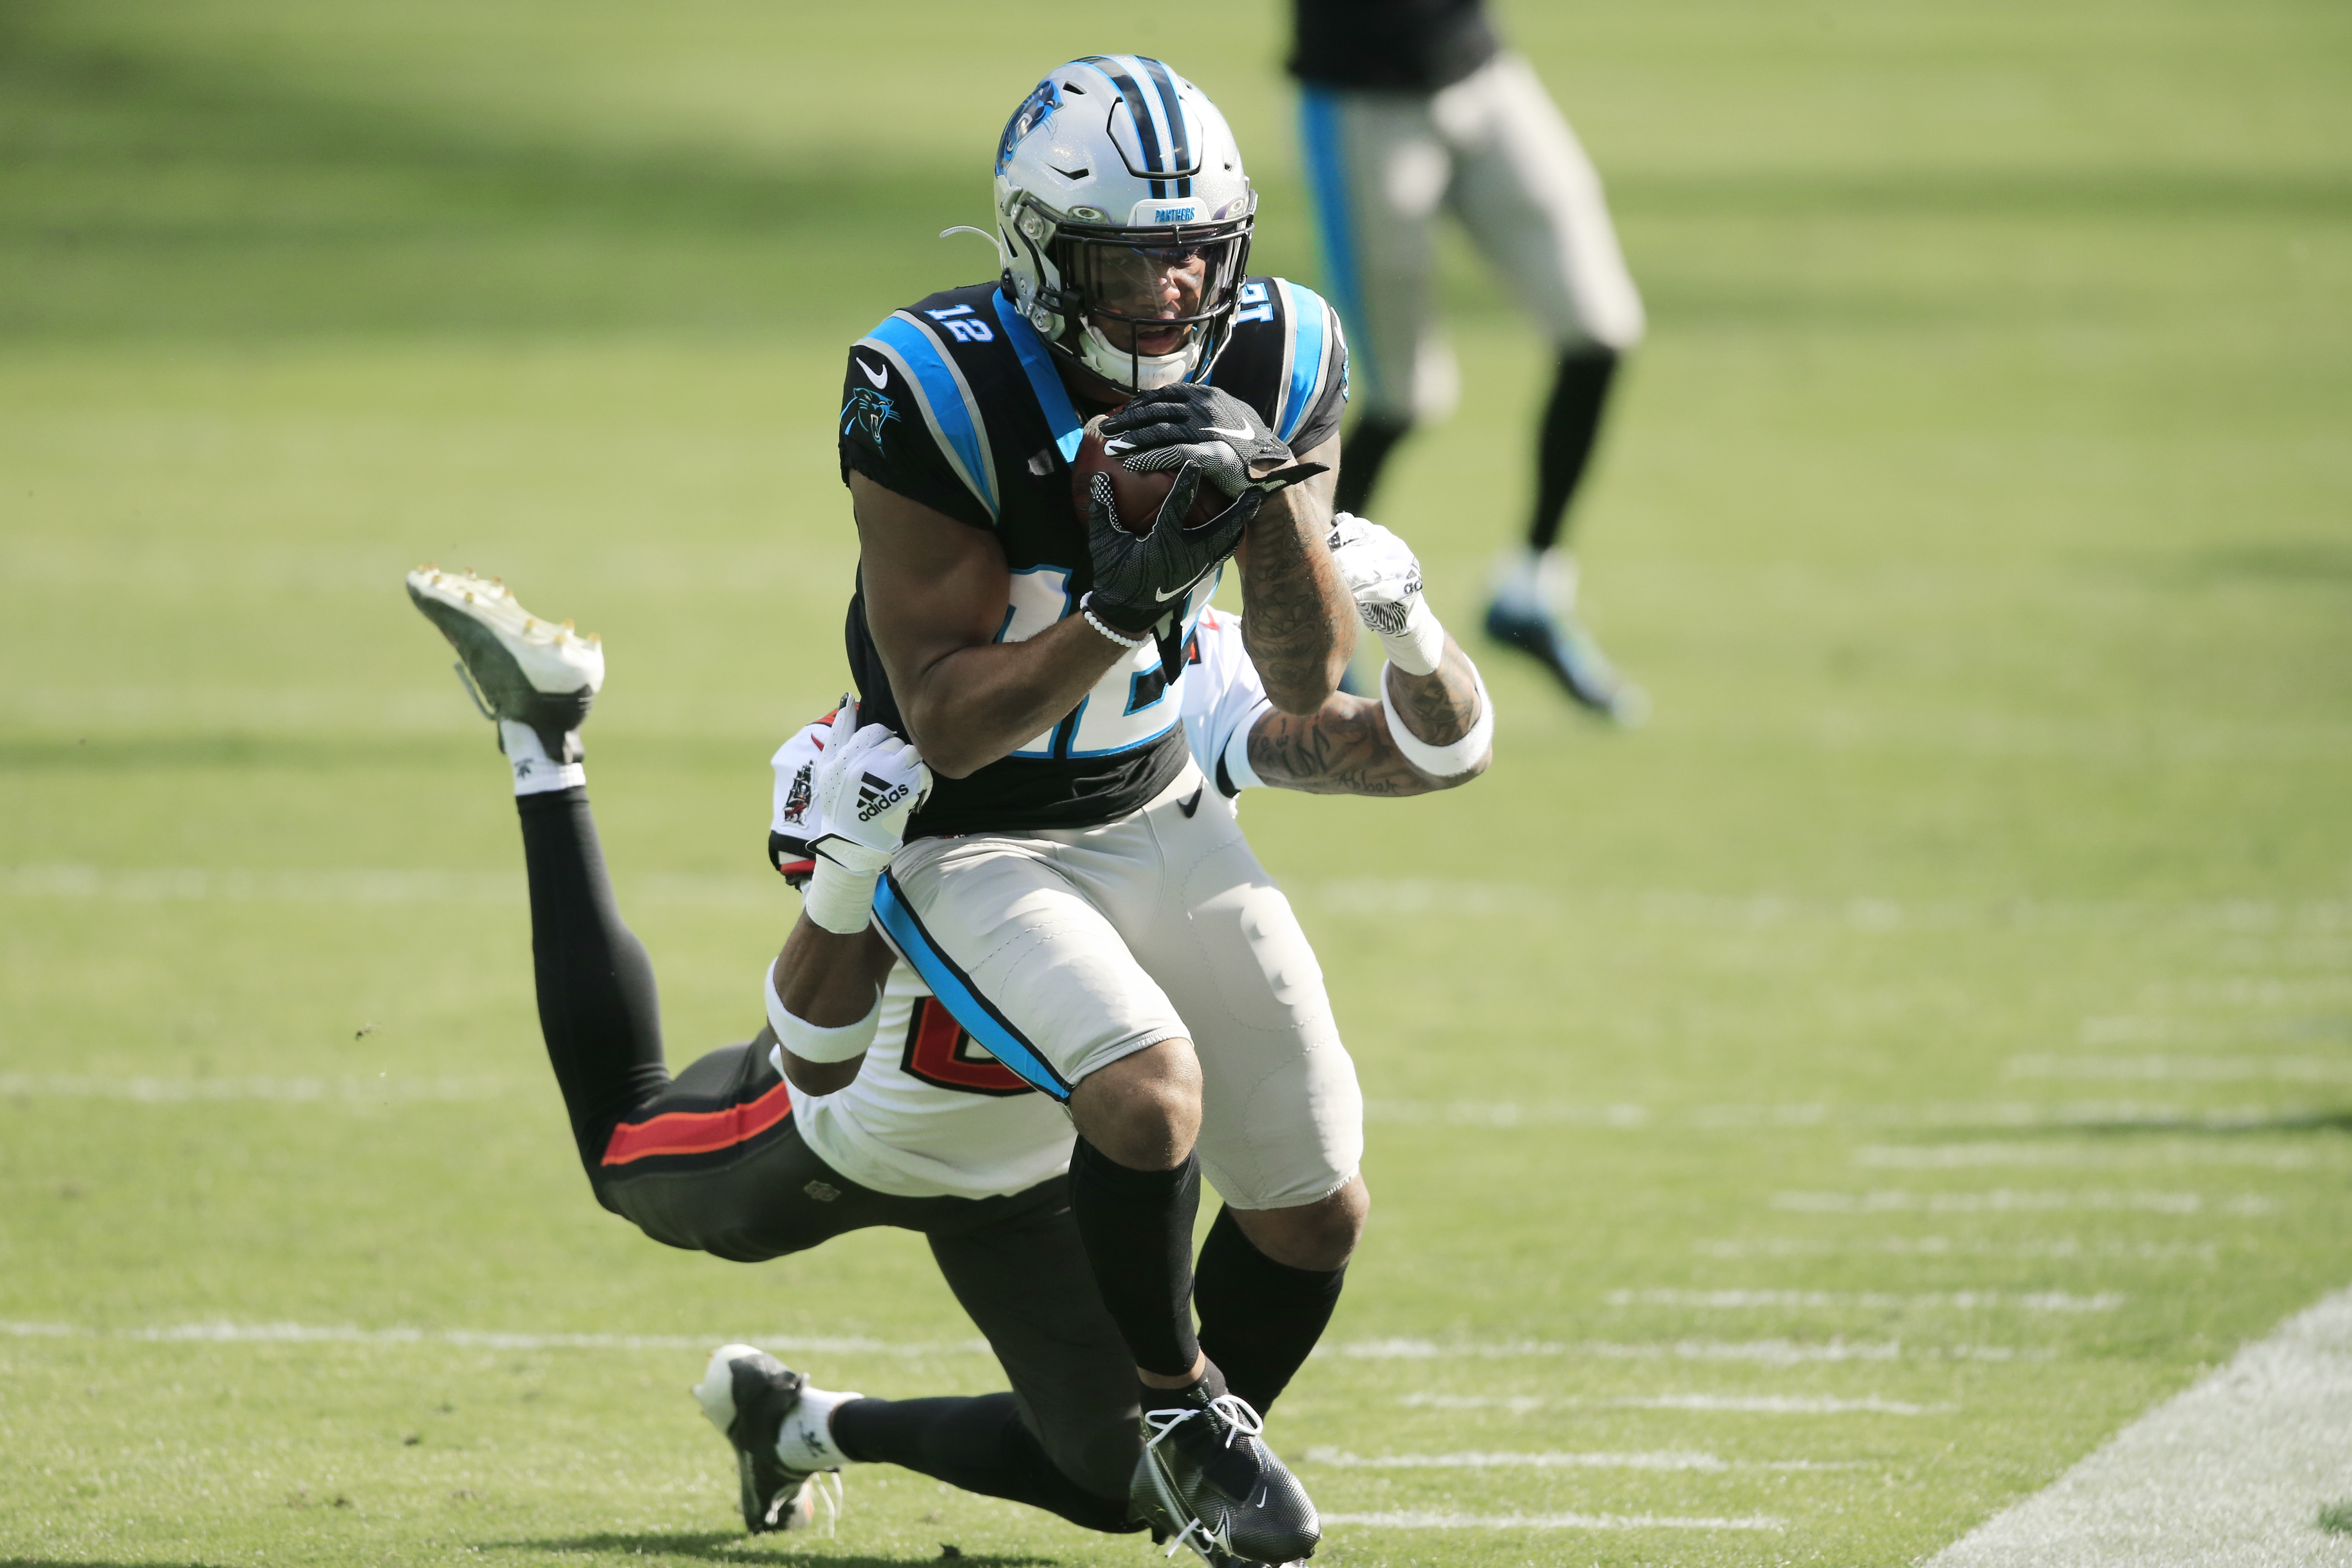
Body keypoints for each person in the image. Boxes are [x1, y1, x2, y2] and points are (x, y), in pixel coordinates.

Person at [399, 517, 1491, 1550]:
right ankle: (545, 745)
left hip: (1059, 1177)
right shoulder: (874, 750)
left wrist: (1407, 628)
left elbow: (1404, 750)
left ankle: (802, 1425)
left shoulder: (1181, 674)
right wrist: (852, 868)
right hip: (849, 1134)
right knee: (626, 1150)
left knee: (1128, 1479)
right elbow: (817, 1044)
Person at [838, 54, 1361, 1560]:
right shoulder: (940, 387)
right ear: (1040, 251)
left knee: (1315, 1214)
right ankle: (1175, 1408)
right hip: (964, 831)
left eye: (1197, 247)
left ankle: (1139, 1466)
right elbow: (940, 713)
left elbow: (1308, 671)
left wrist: (1259, 506)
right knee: (1145, 1094)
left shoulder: (1278, 347)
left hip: (1155, 798)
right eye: (1131, 254)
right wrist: (1120, 609)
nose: (1172, 287)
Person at [1292, 0, 1649, 721]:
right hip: (1364, 97)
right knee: (1403, 397)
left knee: (1601, 330)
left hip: (1483, 69)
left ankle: (1531, 590)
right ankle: (1312, 629)